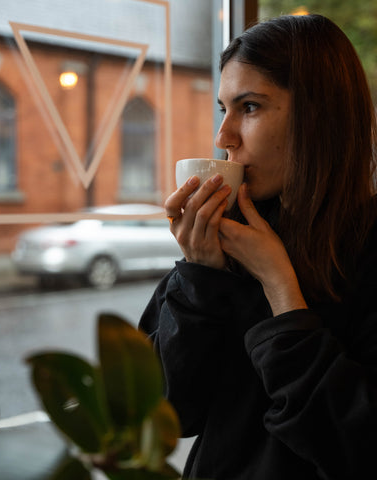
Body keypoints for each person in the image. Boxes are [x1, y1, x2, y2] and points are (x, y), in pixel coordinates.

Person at [139, 13, 377, 480]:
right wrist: (199, 277)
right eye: (223, 110)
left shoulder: (367, 248)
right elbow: (164, 417)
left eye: (249, 107)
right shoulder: (229, 240)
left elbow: (358, 447)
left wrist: (280, 287)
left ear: (319, 117)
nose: (223, 138)